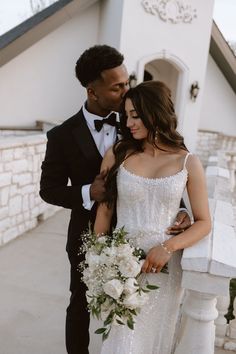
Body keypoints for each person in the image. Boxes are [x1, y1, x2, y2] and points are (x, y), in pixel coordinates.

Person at [39, 45, 190, 354]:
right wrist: (86, 192)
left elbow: (174, 164)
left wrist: (184, 208)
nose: (127, 89)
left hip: (141, 233)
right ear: (92, 91)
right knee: (80, 301)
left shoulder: (138, 116)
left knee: (141, 306)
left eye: (127, 81)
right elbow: (48, 189)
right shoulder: (62, 136)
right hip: (87, 232)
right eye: (117, 86)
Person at [94, 81, 211, 354]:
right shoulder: (118, 154)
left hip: (164, 270)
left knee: (153, 342)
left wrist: (168, 247)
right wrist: (100, 262)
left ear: (155, 112)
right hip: (121, 268)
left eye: (135, 114)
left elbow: (204, 221)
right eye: (127, 115)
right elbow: (105, 211)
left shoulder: (187, 162)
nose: (130, 122)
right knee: (121, 343)